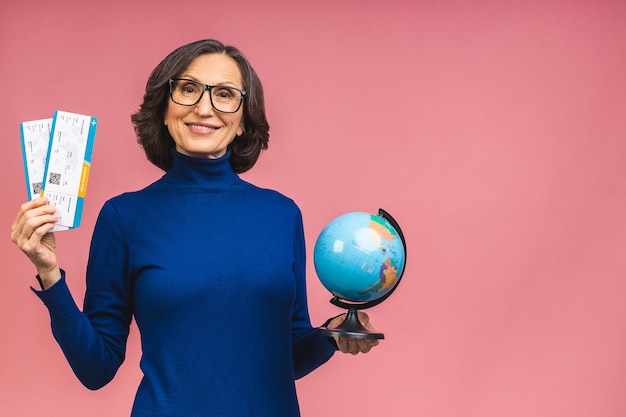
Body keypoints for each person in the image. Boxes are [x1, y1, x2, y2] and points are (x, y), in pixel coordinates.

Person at [10, 39, 379, 416]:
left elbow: (286, 358)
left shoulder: (282, 215)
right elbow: (96, 367)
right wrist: (49, 273)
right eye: (188, 89)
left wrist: (332, 335)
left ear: (243, 120)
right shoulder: (123, 217)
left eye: (224, 94)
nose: (204, 108)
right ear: (165, 109)